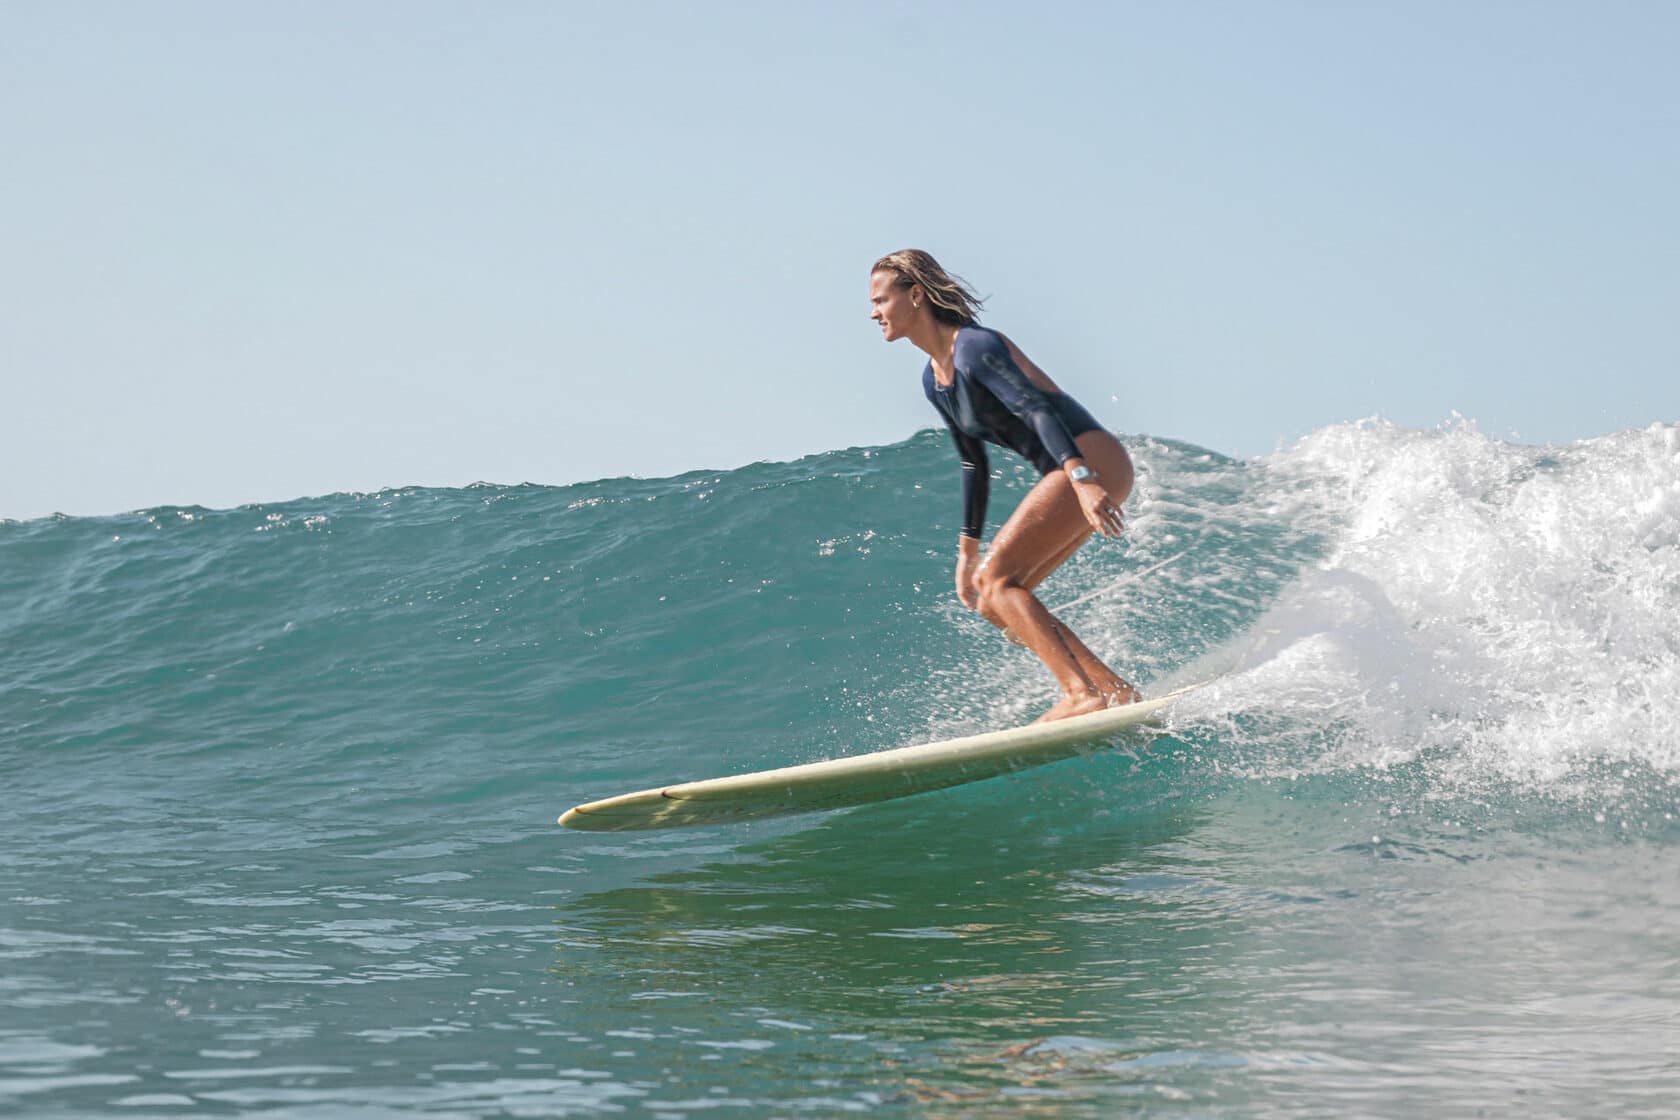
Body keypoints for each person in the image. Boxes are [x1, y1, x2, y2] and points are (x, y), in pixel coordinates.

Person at [869, 249, 1142, 722]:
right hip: (1075, 469)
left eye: (880, 300)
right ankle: (1114, 691)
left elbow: (1036, 408)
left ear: (915, 296)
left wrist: (1081, 479)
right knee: (996, 601)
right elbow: (972, 461)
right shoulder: (935, 379)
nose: (874, 313)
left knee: (997, 583)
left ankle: (1080, 694)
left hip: (1090, 460)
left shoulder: (976, 347)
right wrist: (966, 552)